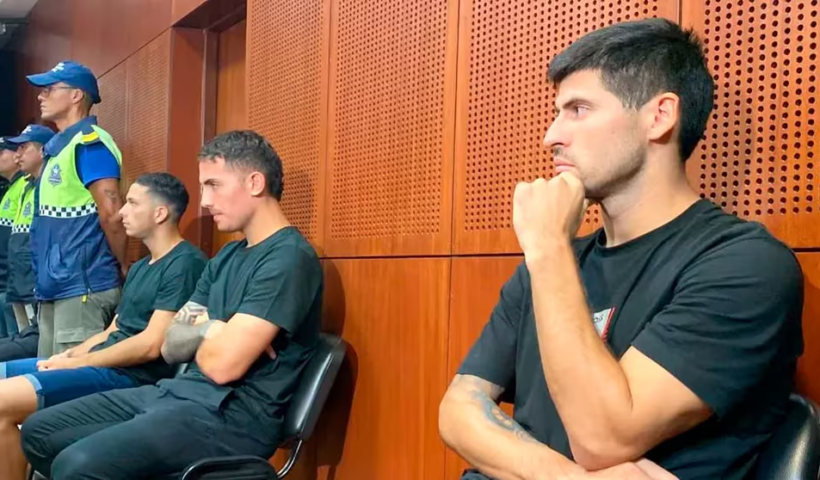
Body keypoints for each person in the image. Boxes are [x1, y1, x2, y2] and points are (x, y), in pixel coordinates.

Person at [438, 18, 803, 480]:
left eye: (578, 109)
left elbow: (602, 438)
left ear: (659, 116)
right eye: (558, 111)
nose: (551, 136)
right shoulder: (550, 261)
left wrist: (547, 246)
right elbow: (459, 408)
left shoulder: (744, 265)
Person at [21, 130, 324, 480]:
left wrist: (201, 327)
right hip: (179, 395)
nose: (205, 201)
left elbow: (222, 367)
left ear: (255, 183)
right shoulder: (227, 255)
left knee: (77, 464)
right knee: (39, 433)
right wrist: (215, 328)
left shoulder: (288, 258)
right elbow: (172, 343)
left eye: (214, 185)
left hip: (232, 417)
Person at [0, 172, 207, 479]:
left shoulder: (186, 263)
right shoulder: (141, 266)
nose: (121, 212)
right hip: (102, 365)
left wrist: (79, 363)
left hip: (131, 377)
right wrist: (70, 355)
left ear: (160, 213)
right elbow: (113, 330)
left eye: (132, 203)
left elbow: (151, 344)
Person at [26, 60, 127, 358]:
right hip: (55, 286)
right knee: (45, 374)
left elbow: (111, 213)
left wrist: (122, 265)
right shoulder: (58, 149)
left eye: (49, 89)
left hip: (83, 287)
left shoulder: (89, 144)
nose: (41, 96)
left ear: (76, 95)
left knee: (70, 378)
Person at [7, 125, 55, 332]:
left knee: (35, 339)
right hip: (18, 281)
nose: (17, 155)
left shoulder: (52, 185)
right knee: (20, 338)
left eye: (24, 147)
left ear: (43, 150)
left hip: (35, 283)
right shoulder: (27, 186)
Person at [0, 137, 27, 338]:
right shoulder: (10, 189)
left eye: (2, 152)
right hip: (6, 284)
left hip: (15, 284)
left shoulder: (26, 185)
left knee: (18, 341)